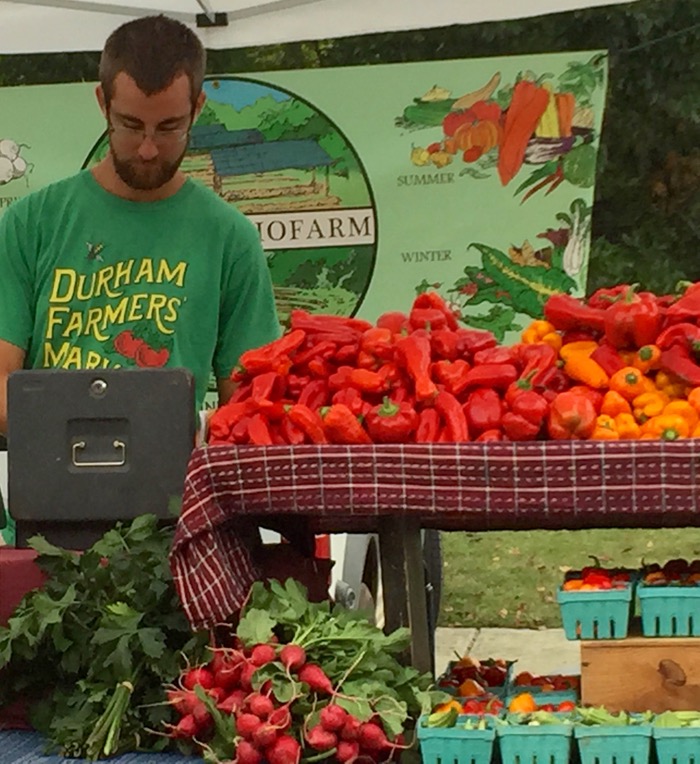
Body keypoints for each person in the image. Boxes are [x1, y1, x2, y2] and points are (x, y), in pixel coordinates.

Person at [0, 15, 281, 435]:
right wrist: (101, 428)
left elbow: (252, 404)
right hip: (50, 485)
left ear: (198, 107)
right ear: (103, 103)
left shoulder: (229, 236)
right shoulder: (30, 222)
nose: (148, 149)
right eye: (131, 126)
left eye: (169, 128)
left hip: (177, 493)